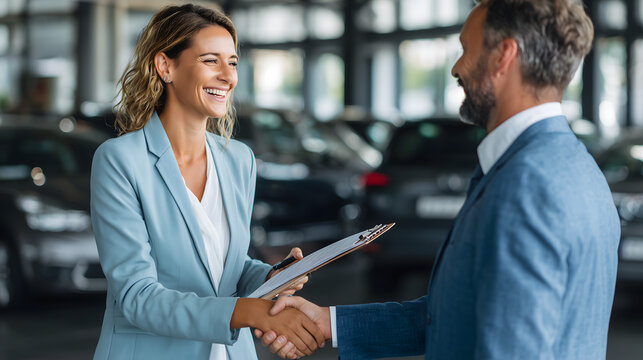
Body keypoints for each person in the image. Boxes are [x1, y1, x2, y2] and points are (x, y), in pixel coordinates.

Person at [257, 0, 621, 359]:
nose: (456, 68)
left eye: (466, 49)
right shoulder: (579, 168)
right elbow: (460, 316)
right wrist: (328, 323)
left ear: (502, 57)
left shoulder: (524, 187)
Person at [90, 4, 324, 360]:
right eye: (211, 60)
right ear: (165, 66)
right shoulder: (120, 160)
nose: (228, 77)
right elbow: (137, 296)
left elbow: (226, 268)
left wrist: (270, 278)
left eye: (232, 62)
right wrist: (249, 312)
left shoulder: (238, 160)